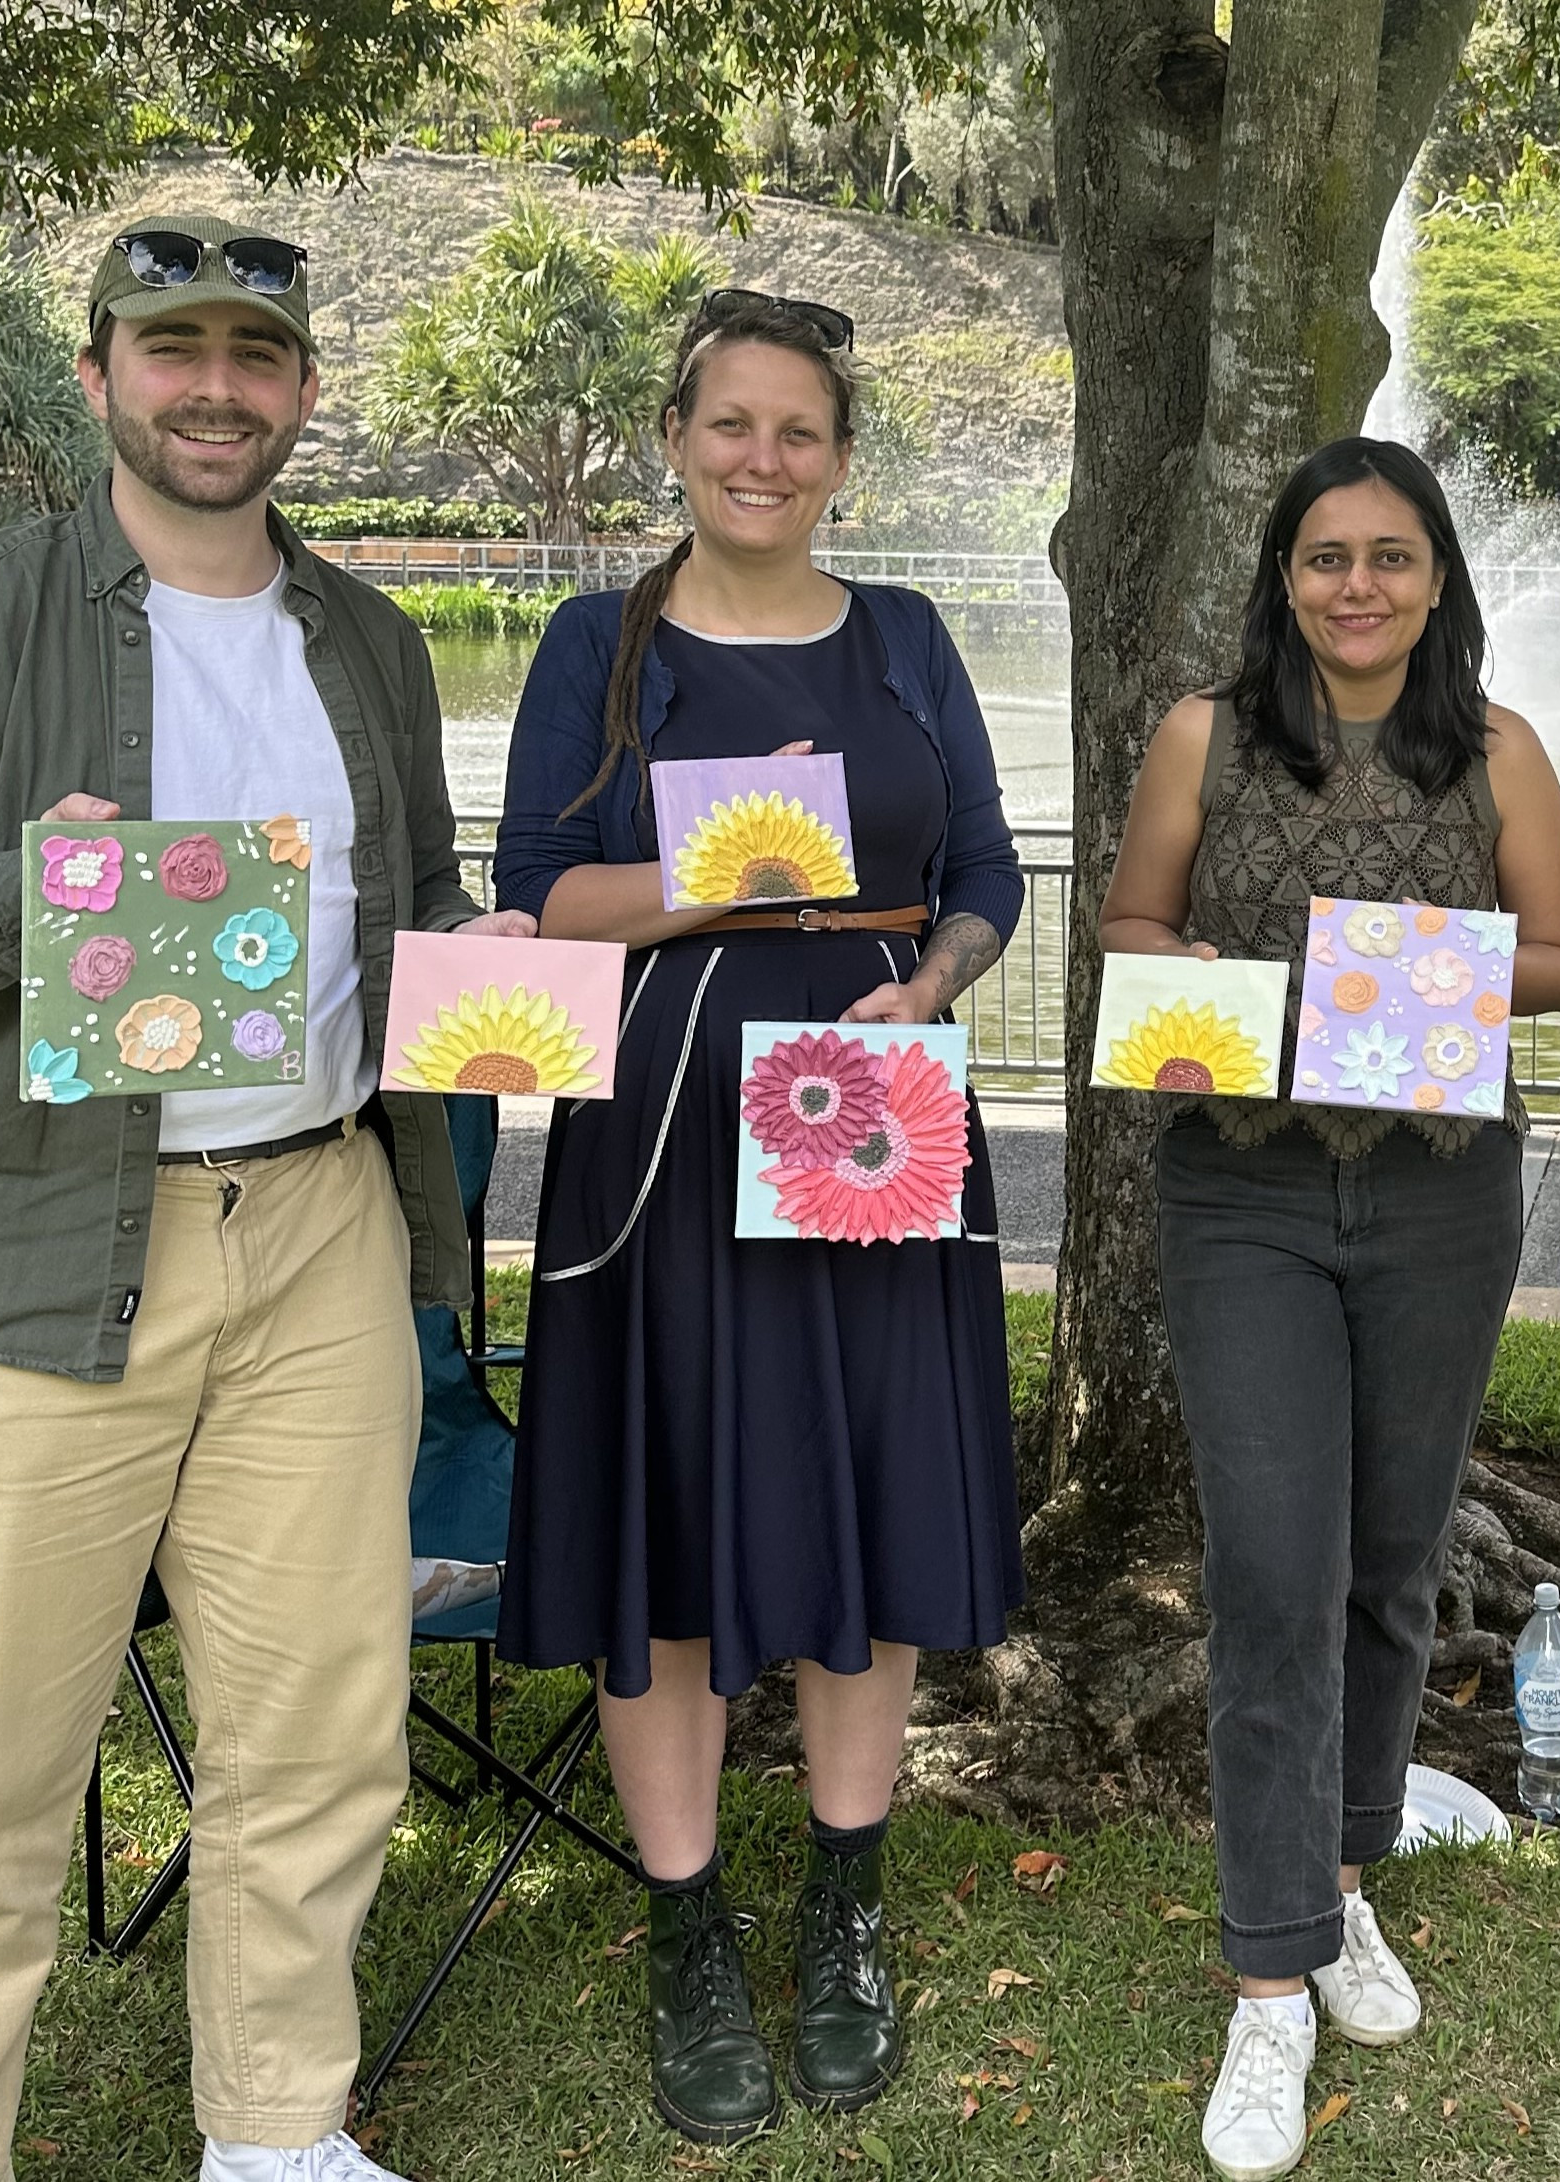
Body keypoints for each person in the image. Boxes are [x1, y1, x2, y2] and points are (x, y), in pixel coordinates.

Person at [0, 218, 530, 2182]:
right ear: (100, 375)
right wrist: (22, 891)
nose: (216, 387)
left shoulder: (370, 641)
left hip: (320, 1226)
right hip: (51, 1237)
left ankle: (277, 2133)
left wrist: (483, 963)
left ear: (300, 390)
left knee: (319, 1734)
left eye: (257, 354)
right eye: (174, 348)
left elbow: (408, 912)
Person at [491, 289, 1023, 2146]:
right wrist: (735, 871)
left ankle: (846, 1908)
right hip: (661, 1118)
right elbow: (540, 893)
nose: (763, 458)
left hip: (868, 1097)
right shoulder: (599, 643)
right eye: (731, 423)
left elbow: (983, 869)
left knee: (871, 1480)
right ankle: (689, 1928)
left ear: (841, 460)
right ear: (676, 437)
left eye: (800, 430)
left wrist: (933, 980)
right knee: (677, 1494)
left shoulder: (906, 639)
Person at [1099, 437, 1560, 2181]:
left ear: (1439, 576)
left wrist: (1418, 974)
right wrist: (1221, 970)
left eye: (1392, 555)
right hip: (1242, 1184)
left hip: (1443, 1190)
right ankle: (1267, 1975)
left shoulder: (1500, 748)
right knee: (1271, 1572)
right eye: (1327, 556)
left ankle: (1344, 1877)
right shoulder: (1205, 734)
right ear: (1285, 577)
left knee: (1391, 1561)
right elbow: (1130, 919)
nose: (1358, 585)